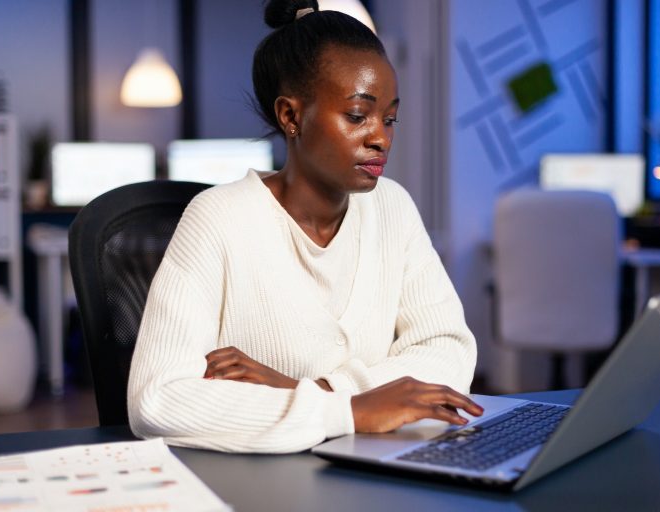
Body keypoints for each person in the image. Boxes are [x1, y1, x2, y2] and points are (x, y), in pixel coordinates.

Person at [127, 0, 482, 453]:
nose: (381, 137)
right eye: (358, 115)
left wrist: (308, 390)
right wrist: (348, 412)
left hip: (373, 470)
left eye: (389, 118)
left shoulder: (393, 208)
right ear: (291, 116)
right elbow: (156, 400)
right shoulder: (217, 219)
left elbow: (448, 350)